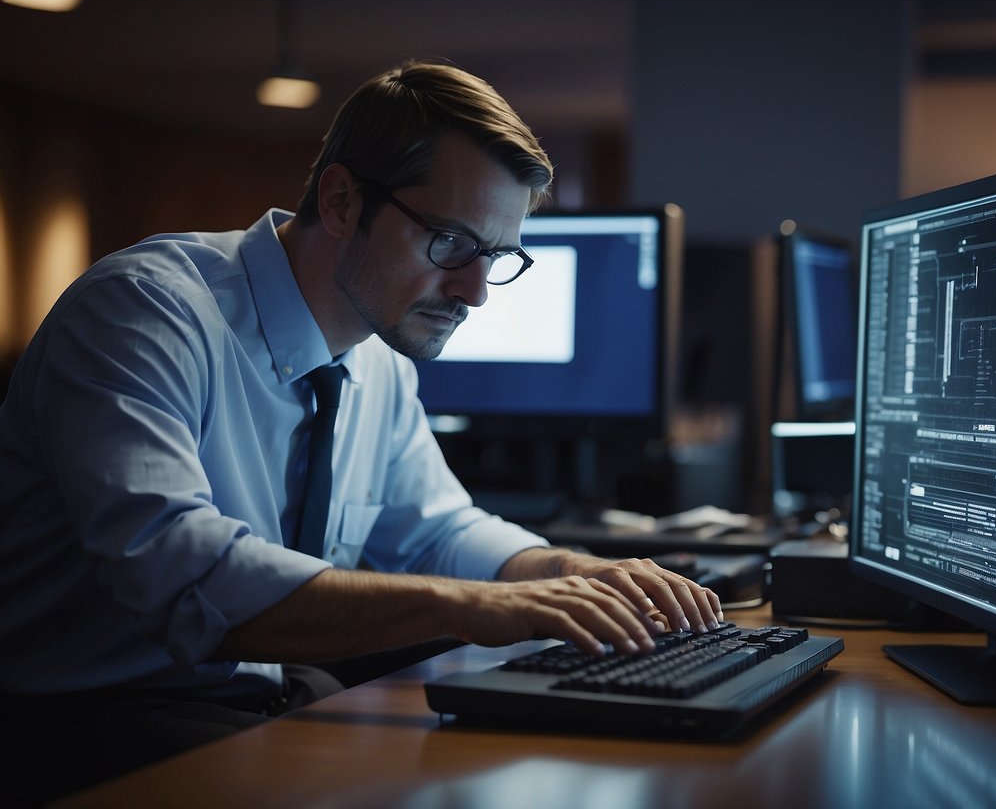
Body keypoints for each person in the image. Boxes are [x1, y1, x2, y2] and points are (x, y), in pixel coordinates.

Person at [0, 59, 722, 804]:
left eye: (497, 258)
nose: (475, 292)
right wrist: (470, 607)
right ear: (341, 200)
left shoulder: (374, 357)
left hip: (247, 697)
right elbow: (184, 577)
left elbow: (436, 531)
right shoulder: (144, 312)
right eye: (450, 244)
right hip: (79, 720)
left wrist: (563, 573)